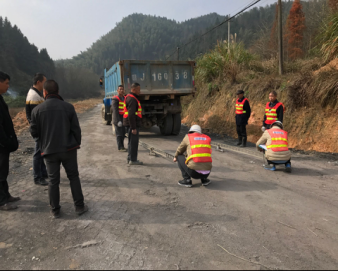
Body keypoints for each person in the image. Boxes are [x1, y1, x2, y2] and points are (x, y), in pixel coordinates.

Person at [30, 80, 88, 218]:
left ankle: (55, 210)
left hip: (49, 151)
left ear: (44, 92)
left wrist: (43, 143)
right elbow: (76, 129)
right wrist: (75, 144)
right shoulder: (68, 107)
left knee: (53, 180)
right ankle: (79, 206)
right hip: (68, 149)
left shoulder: (36, 110)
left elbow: (34, 132)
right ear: (58, 91)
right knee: (73, 177)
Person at [0, 71, 20, 211]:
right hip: (1, 144)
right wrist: (5, 141)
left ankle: (6, 195)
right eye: (6, 83)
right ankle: (1, 201)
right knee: (0, 172)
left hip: (4, 144)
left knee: (4, 171)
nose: (8, 86)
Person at [26, 73, 48, 186]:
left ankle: (43, 173)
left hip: (39, 127)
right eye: (44, 82)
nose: (45, 84)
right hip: (38, 128)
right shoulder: (34, 96)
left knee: (41, 152)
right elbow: (35, 116)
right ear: (38, 82)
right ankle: (37, 177)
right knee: (38, 153)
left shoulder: (35, 93)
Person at [123, 83, 143, 165]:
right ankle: (133, 160)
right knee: (133, 143)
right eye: (138, 89)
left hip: (129, 124)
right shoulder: (132, 99)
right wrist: (133, 128)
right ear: (134, 90)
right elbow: (131, 115)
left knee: (131, 142)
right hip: (132, 125)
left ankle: (129, 158)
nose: (139, 91)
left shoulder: (130, 97)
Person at [112, 85, 126, 152]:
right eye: (120, 89)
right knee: (119, 134)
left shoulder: (124, 98)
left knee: (123, 133)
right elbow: (115, 111)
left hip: (123, 118)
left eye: (122, 89)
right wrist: (118, 121)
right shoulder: (115, 99)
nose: (121, 90)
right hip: (118, 119)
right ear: (117, 91)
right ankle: (120, 147)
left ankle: (122, 146)